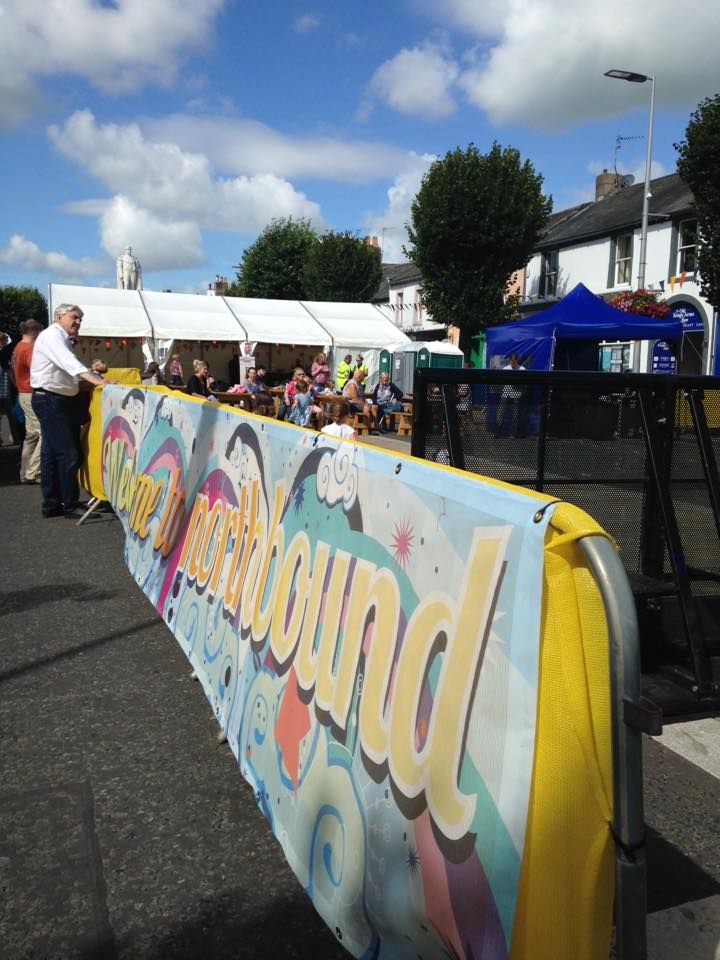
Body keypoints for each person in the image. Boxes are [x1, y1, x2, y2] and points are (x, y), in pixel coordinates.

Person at [30, 303, 106, 518]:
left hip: (53, 398)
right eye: (74, 317)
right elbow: (71, 364)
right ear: (59, 317)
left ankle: (52, 504)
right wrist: (99, 381)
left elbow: (67, 372)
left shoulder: (59, 337)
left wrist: (89, 381)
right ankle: (70, 505)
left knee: (51, 455)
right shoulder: (53, 335)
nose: (78, 321)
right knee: (68, 454)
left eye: (80, 318)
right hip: (51, 400)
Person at [10, 320, 43, 481]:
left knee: (31, 435)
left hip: (22, 392)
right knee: (44, 433)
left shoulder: (18, 347)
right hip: (30, 393)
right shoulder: (28, 349)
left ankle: (25, 472)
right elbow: (38, 370)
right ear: (35, 331)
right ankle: (32, 472)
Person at [495, 354, 526, 438]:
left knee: (515, 415)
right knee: (500, 414)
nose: (512, 363)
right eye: (511, 361)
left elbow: (524, 382)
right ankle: (497, 433)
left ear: (517, 360)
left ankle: (512, 434)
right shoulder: (505, 369)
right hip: (506, 394)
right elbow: (502, 381)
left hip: (517, 394)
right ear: (509, 361)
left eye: (514, 361)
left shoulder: (522, 369)